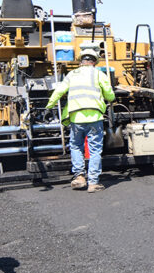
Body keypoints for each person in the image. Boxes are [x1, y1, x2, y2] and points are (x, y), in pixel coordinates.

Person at [45, 44, 115, 192]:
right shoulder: (99, 74)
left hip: (76, 118)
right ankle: (93, 183)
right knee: (95, 149)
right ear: (94, 61)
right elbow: (110, 95)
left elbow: (59, 91)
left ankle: (79, 177)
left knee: (76, 146)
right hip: (94, 117)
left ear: (81, 61)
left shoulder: (72, 75)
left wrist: (49, 106)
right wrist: (110, 98)